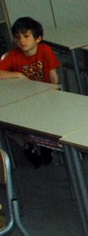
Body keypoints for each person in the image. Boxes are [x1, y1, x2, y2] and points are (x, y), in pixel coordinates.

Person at [0, 17, 61, 167]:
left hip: (45, 96)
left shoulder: (45, 50)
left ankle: (45, 147)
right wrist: (18, 75)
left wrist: (56, 92)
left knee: (49, 120)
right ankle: (27, 146)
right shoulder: (14, 55)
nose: (21, 41)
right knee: (13, 124)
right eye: (18, 37)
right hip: (24, 99)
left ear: (38, 38)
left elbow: (53, 75)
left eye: (26, 36)